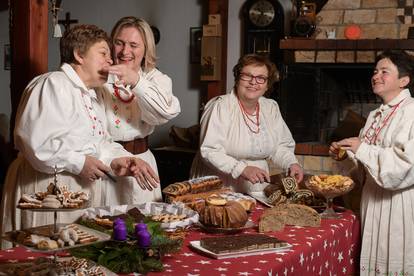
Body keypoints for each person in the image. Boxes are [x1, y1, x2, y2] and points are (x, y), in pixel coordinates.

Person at [0, 24, 159, 247]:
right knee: (44, 256)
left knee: (72, 259)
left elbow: (99, 142)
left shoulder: (90, 95)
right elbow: (37, 144)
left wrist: (118, 159)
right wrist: (79, 162)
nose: (111, 61)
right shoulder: (53, 84)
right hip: (44, 188)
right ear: (79, 54)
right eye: (103, 53)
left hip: (75, 190)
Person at [329, 50, 414, 275]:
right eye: (375, 71)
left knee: (394, 258)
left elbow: (407, 165)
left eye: (385, 72)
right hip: (372, 200)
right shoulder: (375, 116)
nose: (376, 76)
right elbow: (363, 171)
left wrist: (362, 148)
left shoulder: (412, 112)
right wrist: (346, 156)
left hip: (398, 203)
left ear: (404, 81)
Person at [191, 54, 303, 193]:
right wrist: (242, 169)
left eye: (261, 78)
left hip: (255, 184)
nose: (253, 82)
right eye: (247, 76)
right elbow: (210, 150)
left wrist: (291, 163)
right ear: (238, 79)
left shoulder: (270, 107)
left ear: (267, 85)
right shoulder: (220, 106)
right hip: (219, 182)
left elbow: (280, 146)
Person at [97, 17, 180, 204]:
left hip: (142, 162)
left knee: (146, 226)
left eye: (134, 45)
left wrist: (136, 82)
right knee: (105, 226)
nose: (125, 51)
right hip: (107, 161)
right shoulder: (99, 79)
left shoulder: (157, 79)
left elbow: (162, 114)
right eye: (119, 43)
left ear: (146, 49)